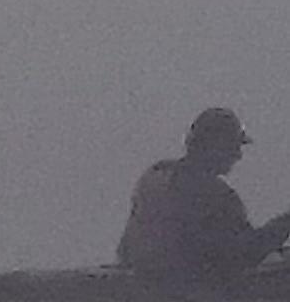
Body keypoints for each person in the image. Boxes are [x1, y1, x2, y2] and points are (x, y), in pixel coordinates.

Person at [117, 107, 290, 282]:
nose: (238, 155)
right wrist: (285, 224)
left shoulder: (159, 175)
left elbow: (127, 248)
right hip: (190, 286)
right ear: (215, 147)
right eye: (233, 147)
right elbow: (245, 252)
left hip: (143, 278)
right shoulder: (216, 195)